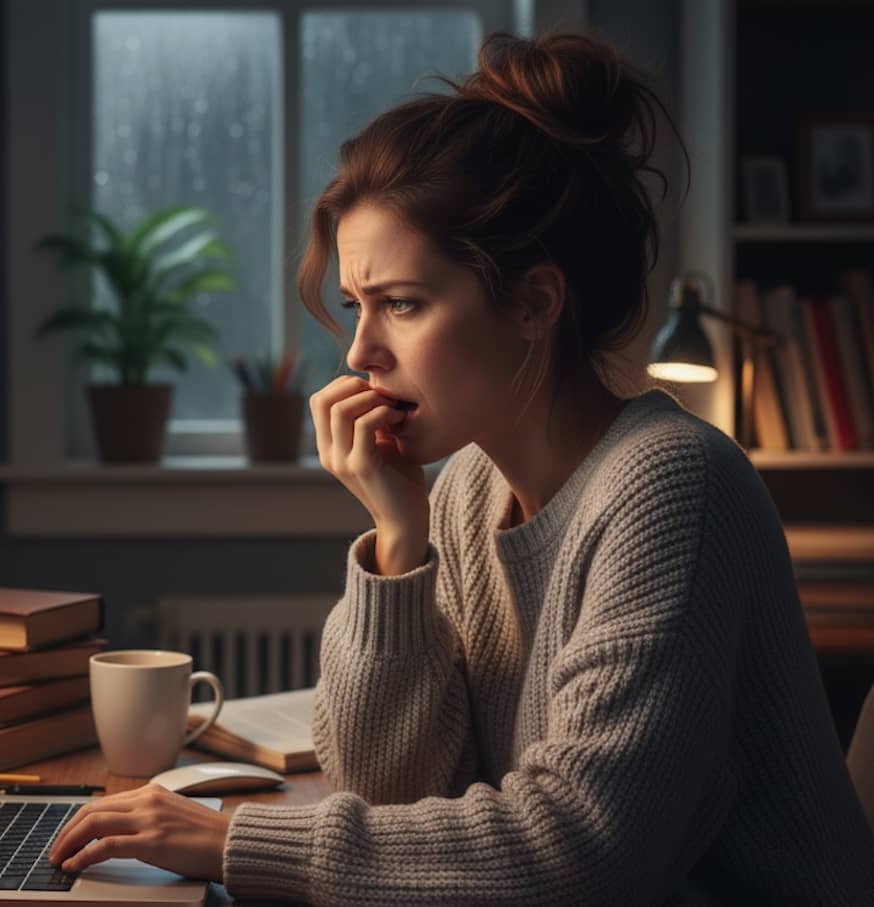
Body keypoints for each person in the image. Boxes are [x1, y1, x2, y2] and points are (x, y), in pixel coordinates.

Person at [49, 31, 874, 904]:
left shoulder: (673, 487)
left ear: (533, 302)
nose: (362, 351)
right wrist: (398, 543)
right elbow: (390, 794)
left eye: (402, 304)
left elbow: (583, 848)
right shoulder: (470, 488)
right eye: (355, 306)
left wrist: (233, 842)